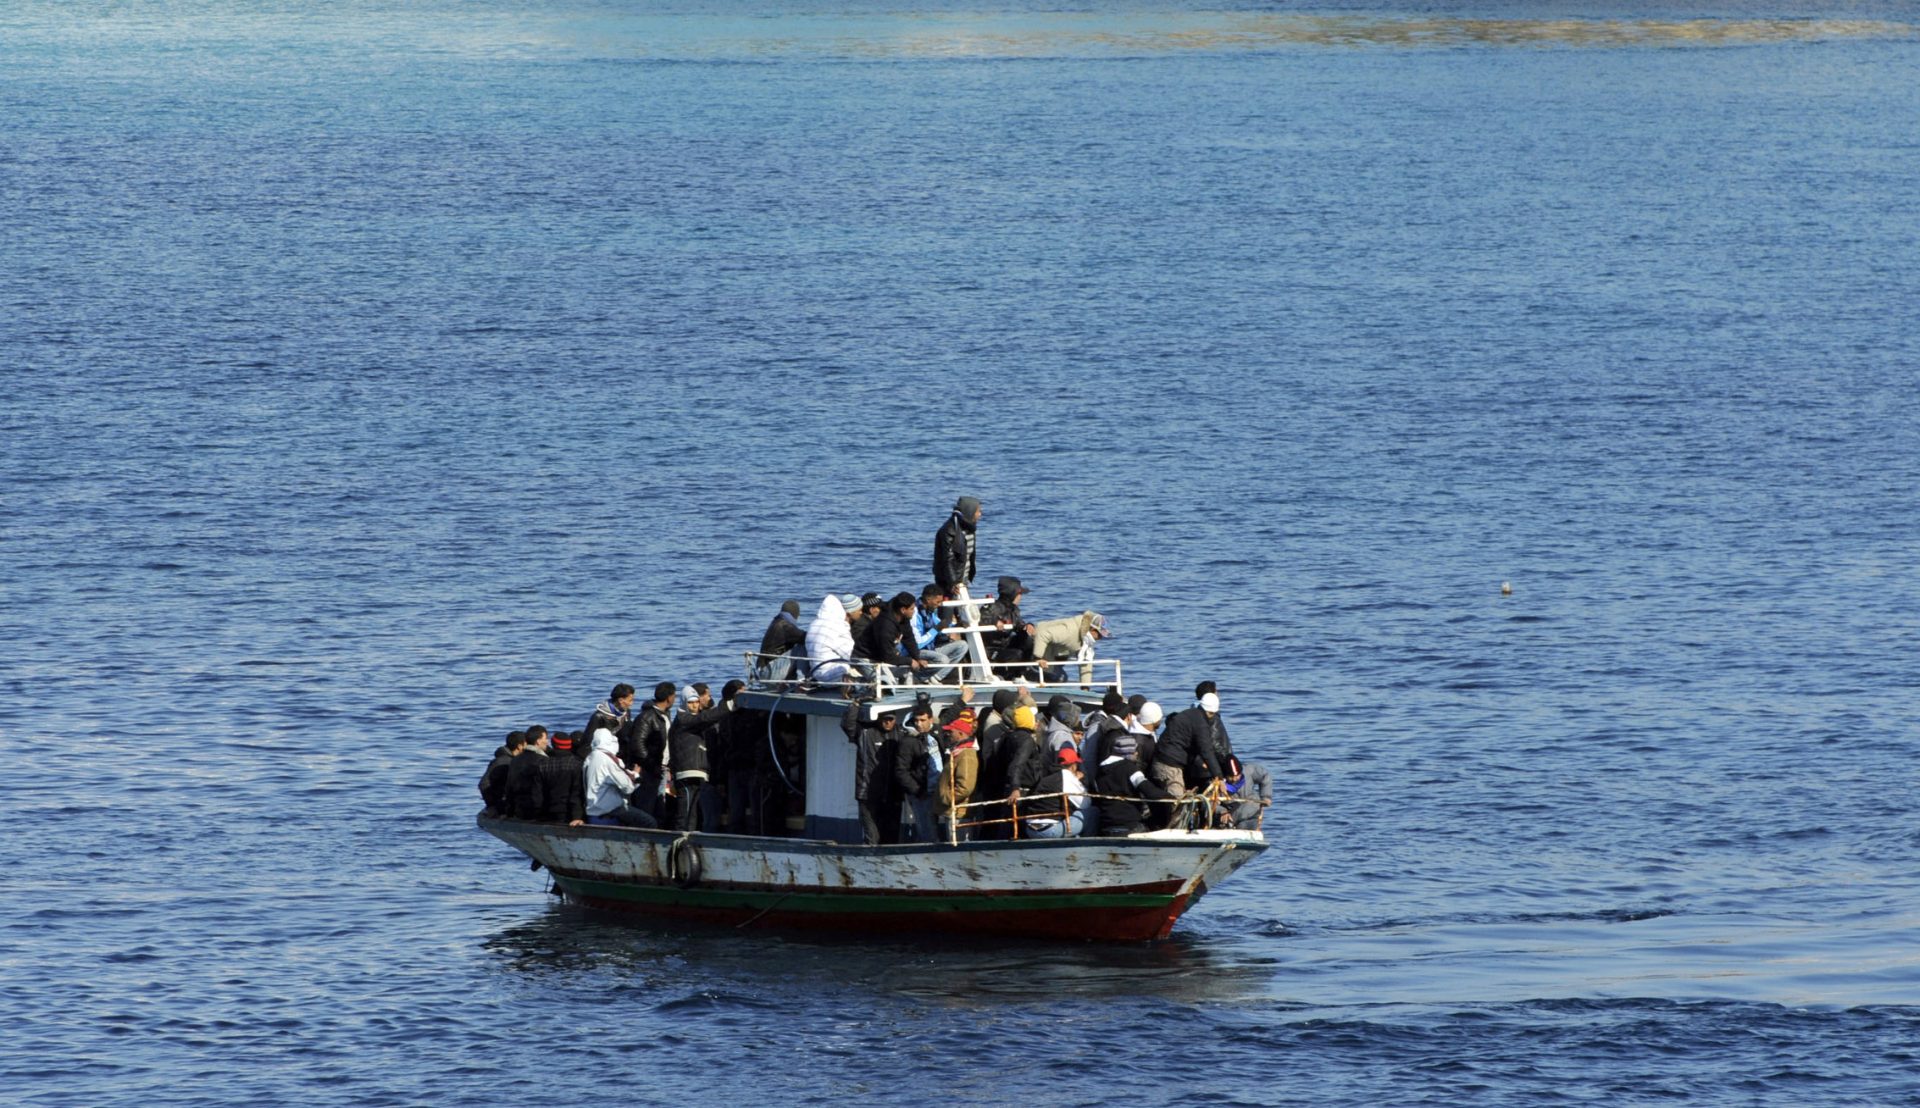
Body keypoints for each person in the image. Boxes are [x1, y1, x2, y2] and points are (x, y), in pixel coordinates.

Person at [668, 682, 734, 832]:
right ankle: (681, 839)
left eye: (697, 702)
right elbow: (704, 718)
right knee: (685, 811)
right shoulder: (684, 720)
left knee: (693, 812)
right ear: (684, 703)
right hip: (686, 772)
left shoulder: (690, 720)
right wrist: (729, 706)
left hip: (697, 772)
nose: (695, 706)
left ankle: (689, 837)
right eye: (691, 702)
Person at [1152, 692, 1224, 826]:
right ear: (1211, 712)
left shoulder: (1189, 714)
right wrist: (1219, 777)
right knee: (1179, 805)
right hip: (1170, 766)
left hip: (1161, 761)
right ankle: (1173, 835)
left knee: (1169, 804)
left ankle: (1163, 828)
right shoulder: (1201, 724)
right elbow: (1206, 751)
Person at [842, 698, 901, 845]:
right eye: (884, 719)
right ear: (878, 718)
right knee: (872, 838)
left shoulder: (900, 734)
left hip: (892, 795)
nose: (887, 723)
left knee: (891, 838)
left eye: (890, 719)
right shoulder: (865, 732)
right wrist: (855, 704)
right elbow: (847, 725)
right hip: (867, 794)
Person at [1092, 728, 1173, 836]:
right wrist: (1172, 798)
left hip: (1106, 825)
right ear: (1127, 752)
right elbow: (1150, 792)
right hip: (1130, 825)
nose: (1137, 753)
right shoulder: (1130, 769)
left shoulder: (1099, 772)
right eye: (1135, 750)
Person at [892, 698, 943, 843]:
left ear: (930, 720)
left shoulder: (936, 733)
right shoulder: (908, 742)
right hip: (923, 793)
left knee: (939, 827)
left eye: (922, 720)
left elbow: (949, 717)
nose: (918, 724)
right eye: (916, 721)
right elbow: (901, 770)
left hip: (939, 790)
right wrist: (918, 790)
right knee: (927, 832)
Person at [583, 728, 657, 828]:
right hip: (609, 809)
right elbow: (628, 788)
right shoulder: (607, 761)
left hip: (592, 809)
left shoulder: (590, 757)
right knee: (650, 822)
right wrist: (636, 774)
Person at [622, 682, 676, 819]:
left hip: (662, 767)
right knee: (647, 805)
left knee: (660, 804)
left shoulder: (664, 716)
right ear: (669, 698)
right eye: (674, 696)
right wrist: (650, 764)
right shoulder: (648, 717)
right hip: (650, 769)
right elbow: (638, 744)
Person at [857, 592, 927, 686]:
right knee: (887, 685)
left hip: (880, 655)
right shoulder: (885, 625)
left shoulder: (903, 617)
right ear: (903, 609)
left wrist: (917, 658)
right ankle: (854, 682)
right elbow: (888, 657)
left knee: (907, 671)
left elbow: (909, 638)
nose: (914, 611)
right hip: (866, 657)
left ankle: (904, 690)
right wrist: (910, 661)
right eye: (912, 609)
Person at [935, 700, 979, 842]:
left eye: (951, 731)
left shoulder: (966, 755)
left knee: (959, 848)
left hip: (958, 813)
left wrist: (946, 798)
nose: (949, 734)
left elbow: (965, 787)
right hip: (953, 811)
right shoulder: (958, 752)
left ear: (960, 733)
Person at [911, 584, 972, 683]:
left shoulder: (931, 612)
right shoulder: (914, 614)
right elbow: (918, 644)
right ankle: (920, 678)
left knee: (962, 645)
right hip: (916, 651)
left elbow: (940, 625)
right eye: (937, 602)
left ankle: (935, 677)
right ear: (928, 599)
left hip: (930, 648)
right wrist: (936, 629)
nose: (939, 605)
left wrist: (957, 625)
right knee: (943, 659)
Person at [1030, 611, 1112, 685]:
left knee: (1061, 677)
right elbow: (1042, 634)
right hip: (1035, 646)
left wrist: (1085, 688)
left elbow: (1086, 663)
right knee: (1059, 677)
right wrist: (1038, 657)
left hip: (1052, 654)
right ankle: (1029, 675)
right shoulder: (1070, 630)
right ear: (1092, 629)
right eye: (1100, 635)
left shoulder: (1087, 640)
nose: (1100, 638)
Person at [1022, 746, 1087, 838]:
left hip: (1030, 830)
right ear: (1073, 766)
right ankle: (1085, 847)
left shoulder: (1047, 775)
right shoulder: (1067, 776)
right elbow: (1084, 803)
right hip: (1050, 830)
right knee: (1091, 812)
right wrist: (1079, 781)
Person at [805, 594, 861, 685]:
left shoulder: (814, 624)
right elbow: (850, 654)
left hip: (815, 673)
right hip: (832, 675)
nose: (861, 612)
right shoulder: (837, 626)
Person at [978, 576, 1033, 668]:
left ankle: (1024, 671)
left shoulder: (1013, 609)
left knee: (1029, 641)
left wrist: (1027, 626)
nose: (1020, 597)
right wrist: (994, 621)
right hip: (990, 648)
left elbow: (1019, 624)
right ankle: (1011, 675)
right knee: (1015, 654)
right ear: (1012, 594)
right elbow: (980, 619)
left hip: (1005, 645)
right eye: (1019, 594)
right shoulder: (991, 607)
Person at [536, 729, 587, 826]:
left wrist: (538, 814)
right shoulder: (576, 764)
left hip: (548, 812)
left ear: (553, 745)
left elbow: (538, 792)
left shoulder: (542, 764)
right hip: (569, 813)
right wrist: (577, 816)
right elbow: (577, 793)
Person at [933, 496, 982, 597]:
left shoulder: (969, 528)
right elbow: (947, 559)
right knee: (948, 610)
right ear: (970, 511)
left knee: (961, 610)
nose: (980, 514)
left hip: (963, 578)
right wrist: (953, 583)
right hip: (949, 582)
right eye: (978, 511)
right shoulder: (949, 530)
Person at [757, 601, 808, 683]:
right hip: (770, 672)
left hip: (764, 671)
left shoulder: (776, 622)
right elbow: (805, 637)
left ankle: (787, 683)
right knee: (801, 647)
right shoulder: (785, 626)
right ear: (795, 614)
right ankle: (801, 681)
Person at [479, 730, 525, 815]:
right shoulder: (503, 761)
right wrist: (494, 805)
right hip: (500, 805)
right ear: (519, 746)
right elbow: (484, 784)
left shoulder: (512, 760)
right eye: (527, 744)